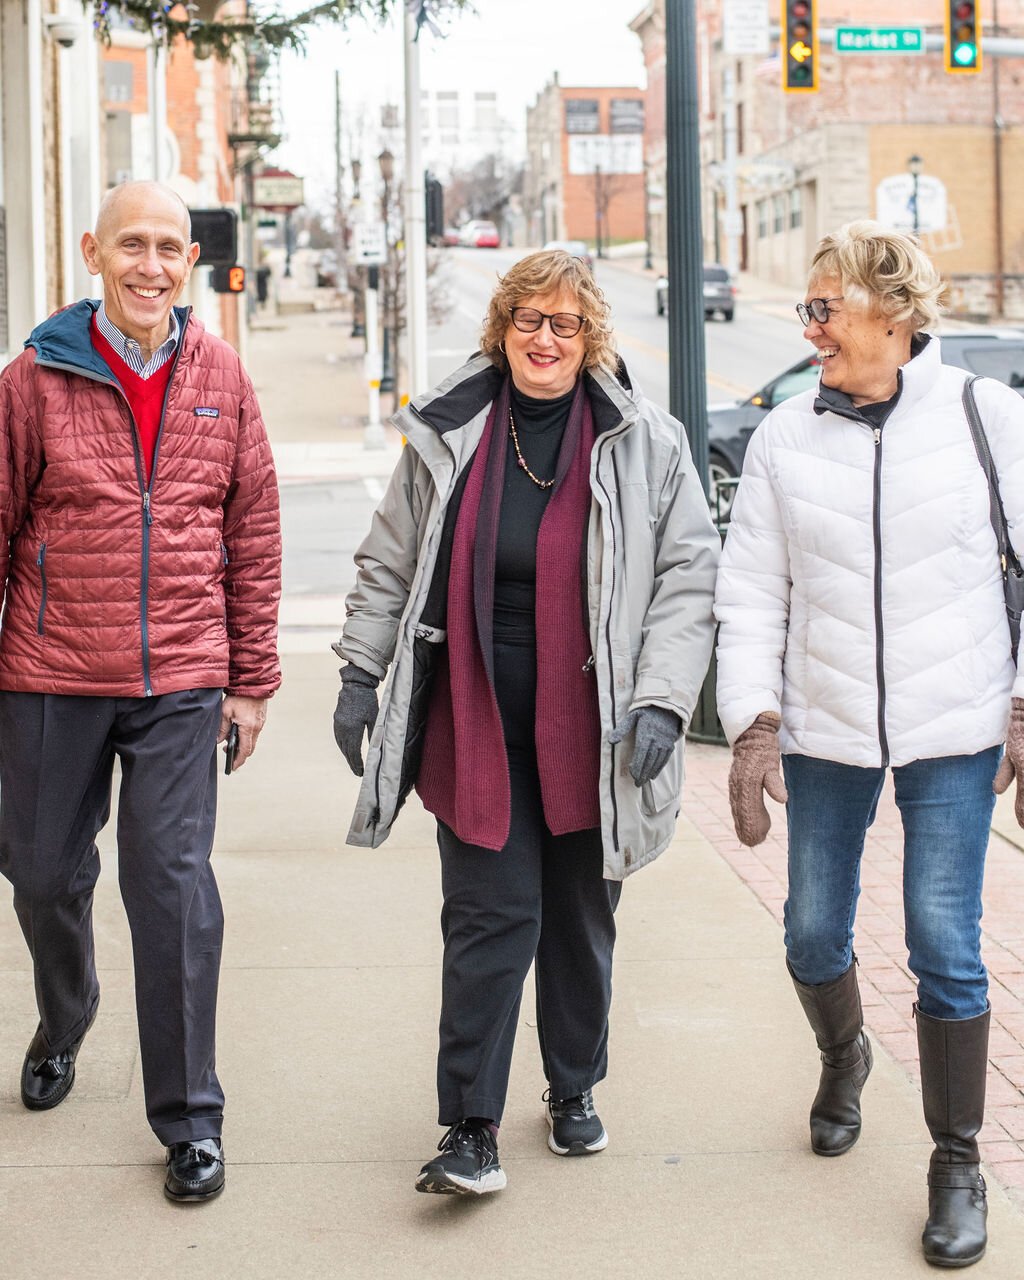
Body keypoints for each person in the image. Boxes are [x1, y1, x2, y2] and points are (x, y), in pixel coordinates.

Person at [334, 249, 719, 1196]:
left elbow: (687, 579)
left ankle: (574, 1084)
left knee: (581, 921)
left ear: (591, 339)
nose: (544, 340)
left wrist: (664, 698)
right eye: (527, 321)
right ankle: (469, 1126)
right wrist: (359, 672)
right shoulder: (452, 432)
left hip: (596, 729)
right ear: (500, 329)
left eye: (565, 324)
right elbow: (388, 560)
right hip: (474, 718)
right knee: (487, 919)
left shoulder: (646, 442)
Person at [715, 220, 1024, 1269]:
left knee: (943, 939)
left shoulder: (987, 418)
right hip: (826, 721)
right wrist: (753, 717)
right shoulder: (783, 438)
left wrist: (1023, 705)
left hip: (956, 724)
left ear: (894, 317)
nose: (810, 329)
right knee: (810, 930)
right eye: (807, 308)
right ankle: (842, 1053)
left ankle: (955, 1157)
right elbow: (750, 588)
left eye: (824, 307)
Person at [0, 181, 282, 1203]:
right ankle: (67, 1010)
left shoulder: (222, 377)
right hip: (51, 669)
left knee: (167, 891)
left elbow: (251, 534)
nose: (150, 264)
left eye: (169, 247)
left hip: (181, 677)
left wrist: (250, 679)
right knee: (36, 870)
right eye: (132, 245)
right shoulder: (32, 378)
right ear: (93, 251)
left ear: (191, 261)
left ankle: (190, 1119)